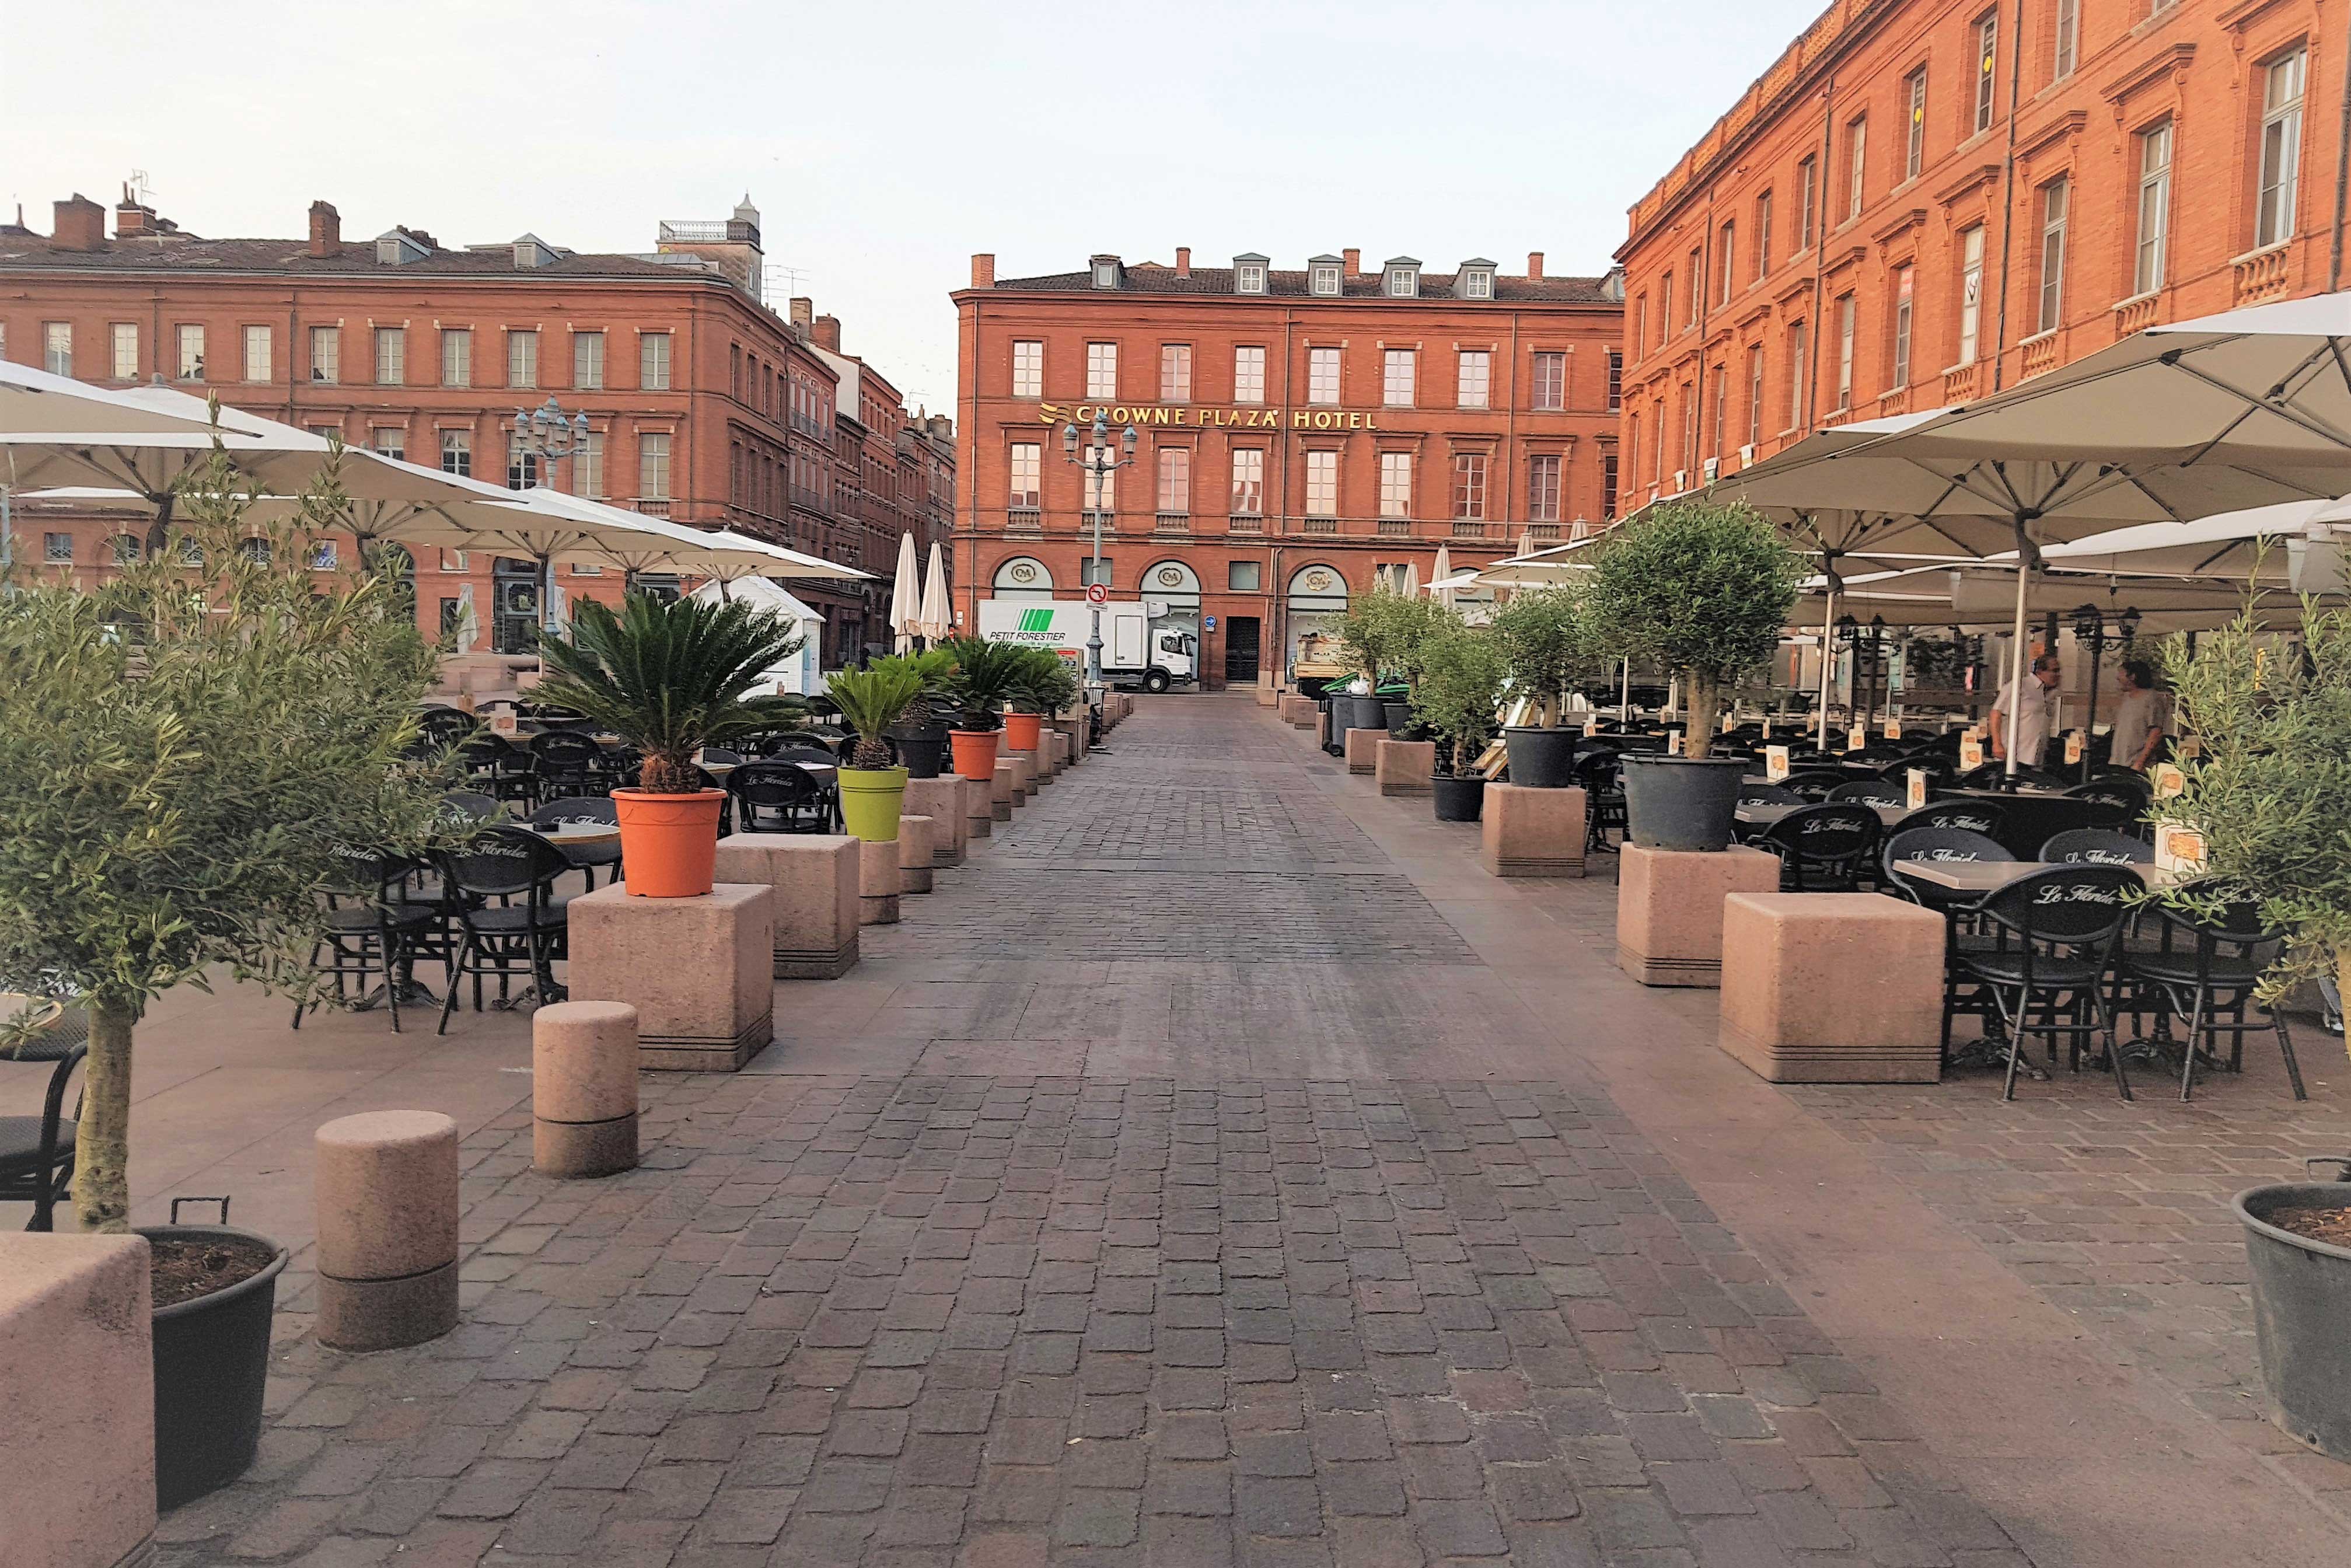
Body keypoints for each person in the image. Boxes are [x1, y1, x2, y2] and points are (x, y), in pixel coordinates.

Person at [1989, 652, 2060, 768]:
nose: (2058, 675)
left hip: (2037, 756)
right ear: (2041, 671)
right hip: (2014, 754)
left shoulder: (2050, 693)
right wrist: (1997, 744)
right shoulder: (2019, 686)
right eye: (2055, 671)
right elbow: (1996, 713)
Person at [2106, 658, 2171, 771]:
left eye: (2122, 674)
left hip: (2136, 765)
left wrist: (2140, 762)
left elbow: (2156, 733)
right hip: (2118, 762)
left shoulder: (2152, 699)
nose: (2118, 678)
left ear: (2133, 677)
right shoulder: (2127, 699)